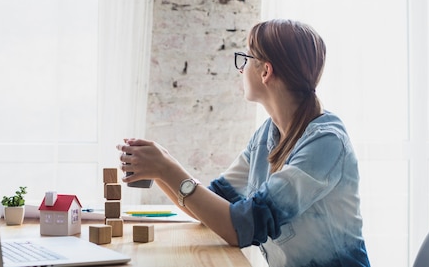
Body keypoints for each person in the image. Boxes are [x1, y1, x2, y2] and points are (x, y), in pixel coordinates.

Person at [117, 19, 370, 267]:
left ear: (266, 71)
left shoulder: (325, 143)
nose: (241, 69)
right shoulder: (267, 135)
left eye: (245, 59)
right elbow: (212, 206)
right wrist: (159, 166)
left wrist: (166, 168)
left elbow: (242, 227)